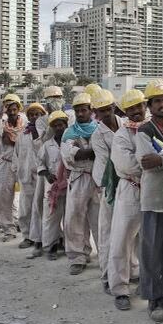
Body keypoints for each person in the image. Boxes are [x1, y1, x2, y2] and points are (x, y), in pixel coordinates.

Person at [135, 79, 163, 323]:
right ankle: (152, 297)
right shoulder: (145, 130)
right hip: (152, 198)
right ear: (150, 105)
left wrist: (162, 160)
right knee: (151, 250)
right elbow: (145, 162)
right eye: (157, 101)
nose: (162, 104)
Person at [107, 89, 147, 310]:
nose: (136, 111)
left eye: (139, 106)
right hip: (130, 190)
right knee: (121, 240)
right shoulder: (122, 135)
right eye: (131, 108)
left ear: (145, 106)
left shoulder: (151, 129)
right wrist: (152, 163)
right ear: (125, 111)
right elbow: (127, 165)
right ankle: (120, 288)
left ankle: (145, 282)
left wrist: (156, 162)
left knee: (148, 240)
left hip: (151, 191)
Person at [60, 92, 100, 274]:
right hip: (78, 178)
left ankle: (105, 256)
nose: (81, 114)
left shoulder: (100, 129)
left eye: (84, 110)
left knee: (100, 220)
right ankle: (78, 256)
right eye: (77, 111)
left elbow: (104, 152)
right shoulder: (70, 132)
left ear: (91, 111)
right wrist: (90, 151)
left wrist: (84, 151)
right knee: (75, 218)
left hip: (98, 179)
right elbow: (71, 155)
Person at [28, 110, 69, 260]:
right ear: (52, 127)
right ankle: (51, 247)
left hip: (70, 185)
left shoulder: (71, 142)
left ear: (66, 125)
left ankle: (69, 246)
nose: (59, 128)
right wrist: (46, 174)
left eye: (61, 125)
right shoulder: (47, 145)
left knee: (70, 217)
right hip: (53, 186)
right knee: (50, 217)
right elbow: (40, 164)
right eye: (56, 125)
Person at [90, 90, 120, 289]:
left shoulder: (127, 125)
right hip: (109, 184)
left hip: (130, 184)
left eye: (108, 109)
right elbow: (105, 163)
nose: (106, 114)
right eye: (101, 111)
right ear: (96, 113)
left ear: (114, 107)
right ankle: (108, 274)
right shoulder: (97, 135)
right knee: (107, 230)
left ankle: (131, 270)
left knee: (129, 233)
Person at [0, 94, 24, 238]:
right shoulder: (1, 124)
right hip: (5, 163)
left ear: (18, 109)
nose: (12, 112)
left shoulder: (25, 123)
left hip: (22, 163)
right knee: (3, 197)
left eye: (14, 109)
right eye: (8, 109)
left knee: (27, 197)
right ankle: (8, 228)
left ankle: (25, 229)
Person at [16, 103, 46, 248]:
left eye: (37, 114)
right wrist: (18, 171)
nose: (34, 117)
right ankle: (27, 236)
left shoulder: (46, 133)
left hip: (42, 175)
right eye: (31, 114)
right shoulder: (22, 134)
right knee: (25, 207)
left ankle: (43, 237)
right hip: (26, 175)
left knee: (41, 207)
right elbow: (17, 154)